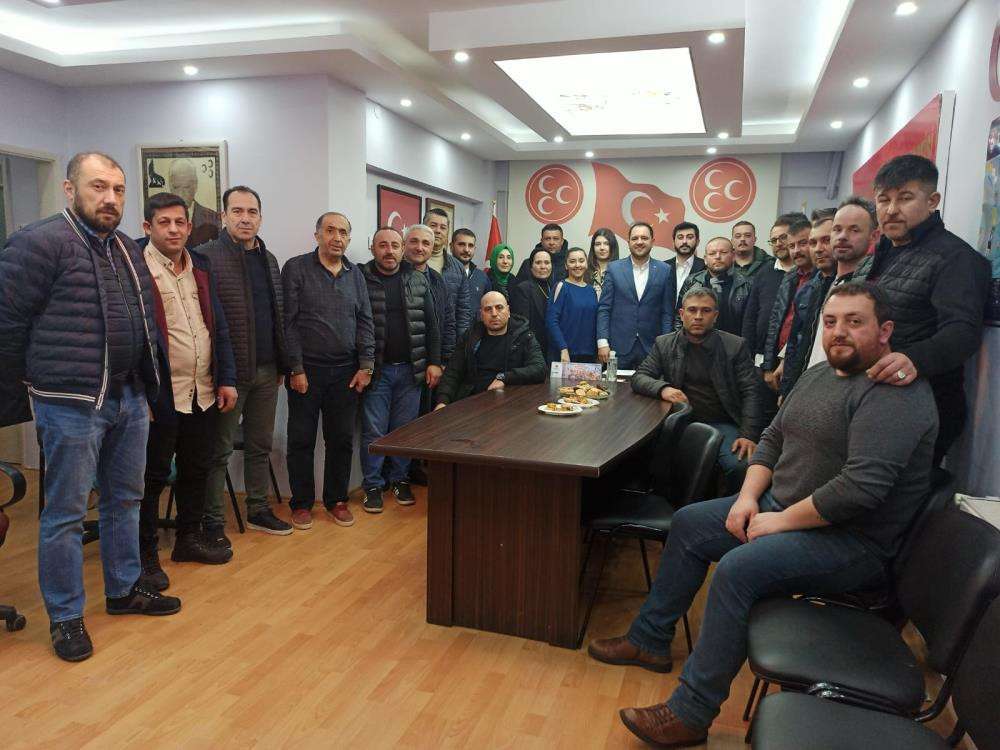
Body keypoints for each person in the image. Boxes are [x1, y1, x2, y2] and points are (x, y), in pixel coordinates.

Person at [590, 283, 938, 748]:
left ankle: (691, 713)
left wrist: (780, 521)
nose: (839, 332)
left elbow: (860, 490)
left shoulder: (895, 394)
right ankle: (649, 640)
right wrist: (748, 497)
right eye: (831, 322)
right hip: (783, 509)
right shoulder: (819, 374)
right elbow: (772, 437)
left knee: (738, 570)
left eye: (855, 322)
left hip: (852, 542)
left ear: (885, 330)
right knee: (691, 524)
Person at [0, 152, 180, 663]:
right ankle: (65, 616)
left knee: (126, 499)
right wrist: (23, 390)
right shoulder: (38, 243)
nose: (110, 198)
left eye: (118, 190)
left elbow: (144, 321)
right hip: (70, 403)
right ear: (69, 189)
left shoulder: (124, 247)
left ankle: (123, 589)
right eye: (98, 187)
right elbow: (7, 324)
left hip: (128, 397)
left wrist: (147, 388)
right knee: (66, 512)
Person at [851, 154, 990, 464]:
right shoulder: (875, 257)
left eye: (905, 198)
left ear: (932, 201)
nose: (891, 210)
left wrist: (914, 359)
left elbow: (963, 331)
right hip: (869, 398)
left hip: (921, 406)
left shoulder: (955, 258)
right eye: (883, 200)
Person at [139, 192, 238, 591]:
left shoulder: (201, 266)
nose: (174, 229)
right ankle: (145, 556)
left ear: (189, 226)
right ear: (147, 227)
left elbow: (218, 327)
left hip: (203, 389)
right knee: (151, 478)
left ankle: (188, 539)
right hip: (160, 395)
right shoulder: (136, 266)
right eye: (164, 222)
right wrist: (140, 393)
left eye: (180, 222)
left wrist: (226, 378)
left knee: (196, 468)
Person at [197, 185, 293, 541]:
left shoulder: (269, 259)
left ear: (261, 218)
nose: (245, 218)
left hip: (267, 370)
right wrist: (219, 372)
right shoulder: (205, 257)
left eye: (252, 212)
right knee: (218, 450)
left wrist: (283, 364)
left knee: (259, 445)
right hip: (228, 374)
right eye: (237, 211)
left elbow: (277, 315)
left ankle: (258, 509)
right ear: (224, 216)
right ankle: (212, 522)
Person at [281, 212, 375, 531]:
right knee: (301, 439)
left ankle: (337, 501)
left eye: (343, 232)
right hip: (306, 371)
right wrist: (295, 367)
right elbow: (288, 323)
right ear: (317, 235)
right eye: (330, 230)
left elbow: (365, 321)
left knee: (341, 440)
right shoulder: (296, 268)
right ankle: (301, 504)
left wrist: (366, 365)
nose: (337, 237)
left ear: (349, 238)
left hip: (346, 372)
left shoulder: (355, 274)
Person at [634, 287, 763, 494]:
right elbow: (640, 376)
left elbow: (751, 392)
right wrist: (663, 388)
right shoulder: (664, 343)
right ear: (681, 314)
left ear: (715, 315)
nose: (698, 316)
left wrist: (748, 434)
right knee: (642, 455)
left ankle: (727, 511)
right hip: (680, 422)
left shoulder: (735, 346)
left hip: (722, 423)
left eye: (706, 311)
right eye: (692, 310)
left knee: (740, 465)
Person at [359, 227, 442, 513]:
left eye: (395, 245)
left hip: (411, 371)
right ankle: (372, 485)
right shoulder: (361, 279)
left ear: (402, 248)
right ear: (373, 248)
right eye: (383, 245)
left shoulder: (417, 279)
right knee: (373, 431)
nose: (389, 251)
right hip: (377, 372)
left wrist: (434, 362)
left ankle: (399, 479)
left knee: (405, 430)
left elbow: (432, 325)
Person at [798, 197, 880, 374]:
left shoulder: (873, 289)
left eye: (854, 230)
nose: (842, 236)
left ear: (873, 237)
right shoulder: (823, 284)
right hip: (812, 379)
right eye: (837, 230)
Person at [435, 291, 546, 406]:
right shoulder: (471, 336)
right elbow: (453, 371)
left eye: (499, 308)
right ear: (481, 315)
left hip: (510, 401)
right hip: (473, 401)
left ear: (508, 311)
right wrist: (442, 401)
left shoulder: (524, 336)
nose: (494, 314)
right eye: (488, 309)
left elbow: (539, 369)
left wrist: (505, 377)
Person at [596, 222, 676, 369]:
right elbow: (604, 308)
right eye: (635, 238)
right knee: (615, 385)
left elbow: (667, 313)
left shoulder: (665, 270)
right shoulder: (614, 269)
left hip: (652, 348)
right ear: (628, 242)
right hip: (617, 348)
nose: (639, 242)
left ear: (652, 241)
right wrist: (602, 342)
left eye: (644, 238)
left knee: (649, 383)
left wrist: (666, 345)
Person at [779, 210, 838, 398]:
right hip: (803, 379)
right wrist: (787, 388)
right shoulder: (807, 290)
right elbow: (795, 342)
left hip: (835, 383)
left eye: (826, 240)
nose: (818, 249)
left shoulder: (857, 286)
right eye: (813, 243)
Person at [760, 217, 815, 392]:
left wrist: (786, 362)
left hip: (804, 364)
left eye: (803, 243)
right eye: (792, 246)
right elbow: (775, 323)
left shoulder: (822, 279)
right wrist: (768, 366)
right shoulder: (789, 278)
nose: (796, 250)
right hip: (779, 360)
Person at [741, 214, 800, 364]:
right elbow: (750, 318)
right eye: (774, 240)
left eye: (783, 238)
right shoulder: (764, 273)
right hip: (761, 356)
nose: (778, 243)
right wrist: (748, 354)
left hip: (794, 356)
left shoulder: (806, 273)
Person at [675, 237, 751, 336]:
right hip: (696, 342)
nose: (718, 257)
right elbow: (679, 317)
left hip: (734, 342)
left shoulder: (746, 284)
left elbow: (750, 322)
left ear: (733, 256)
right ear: (705, 259)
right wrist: (681, 341)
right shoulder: (692, 281)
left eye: (723, 252)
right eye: (712, 253)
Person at [425, 207, 473, 336]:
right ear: (424, 227)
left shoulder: (458, 268)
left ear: (447, 232)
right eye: (433, 225)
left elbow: (463, 311)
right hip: (416, 336)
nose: (438, 231)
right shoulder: (411, 262)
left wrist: (462, 342)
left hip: (447, 338)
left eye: (443, 227)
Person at [547, 248, 599, 363]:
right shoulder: (561, 286)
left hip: (589, 355)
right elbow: (551, 321)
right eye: (572, 261)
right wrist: (563, 348)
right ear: (566, 265)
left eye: (581, 261)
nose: (577, 265)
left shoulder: (591, 290)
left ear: (586, 264)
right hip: (565, 355)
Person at [509, 247, 552, 361]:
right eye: (538, 263)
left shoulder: (554, 287)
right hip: (533, 350)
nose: (543, 266)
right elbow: (522, 326)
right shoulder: (523, 288)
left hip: (552, 348)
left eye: (547, 262)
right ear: (531, 267)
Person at [167, 159, 220, 249]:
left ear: (195, 186)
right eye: (176, 187)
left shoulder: (213, 218)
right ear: (170, 186)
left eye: (186, 187)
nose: (180, 194)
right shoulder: (160, 219)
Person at [450, 228, 491, 311]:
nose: (466, 250)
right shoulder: (442, 273)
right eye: (461, 244)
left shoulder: (482, 277)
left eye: (470, 246)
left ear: (474, 249)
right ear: (451, 246)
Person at [665, 221, 705, 303]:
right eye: (680, 237)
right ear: (673, 242)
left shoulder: (706, 267)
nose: (684, 241)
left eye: (689, 237)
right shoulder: (663, 267)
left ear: (697, 242)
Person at [587, 228, 620, 299]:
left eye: (606, 244)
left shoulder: (620, 271)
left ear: (612, 246)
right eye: (598, 244)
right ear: (593, 247)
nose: (602, 248)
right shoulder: (585, 271)